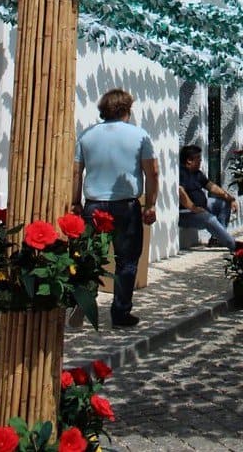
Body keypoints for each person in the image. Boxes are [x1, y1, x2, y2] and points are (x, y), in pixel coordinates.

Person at [72, 88, 158, 328]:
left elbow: (76, 172)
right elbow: (152, 172)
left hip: (94, 205)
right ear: (127, 109)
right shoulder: (140, 136)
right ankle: (120, 313)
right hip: (126, 206)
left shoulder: (87, 135)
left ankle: (86, 299)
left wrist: (75, 201)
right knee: (127, 260)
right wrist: (150, 204)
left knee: (90, 256)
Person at [179, 145, 239, 249]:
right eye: (198, 158)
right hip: (186, 213)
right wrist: (193, 208)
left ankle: (217, 240)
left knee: (223, 204)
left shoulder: (197, 173)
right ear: (189, 160)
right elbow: (180, 192)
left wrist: (230, 198)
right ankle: (233, 245)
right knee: (210, 219)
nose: (201, 160)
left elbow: (212, 187)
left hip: (200, 207)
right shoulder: (181, 173)